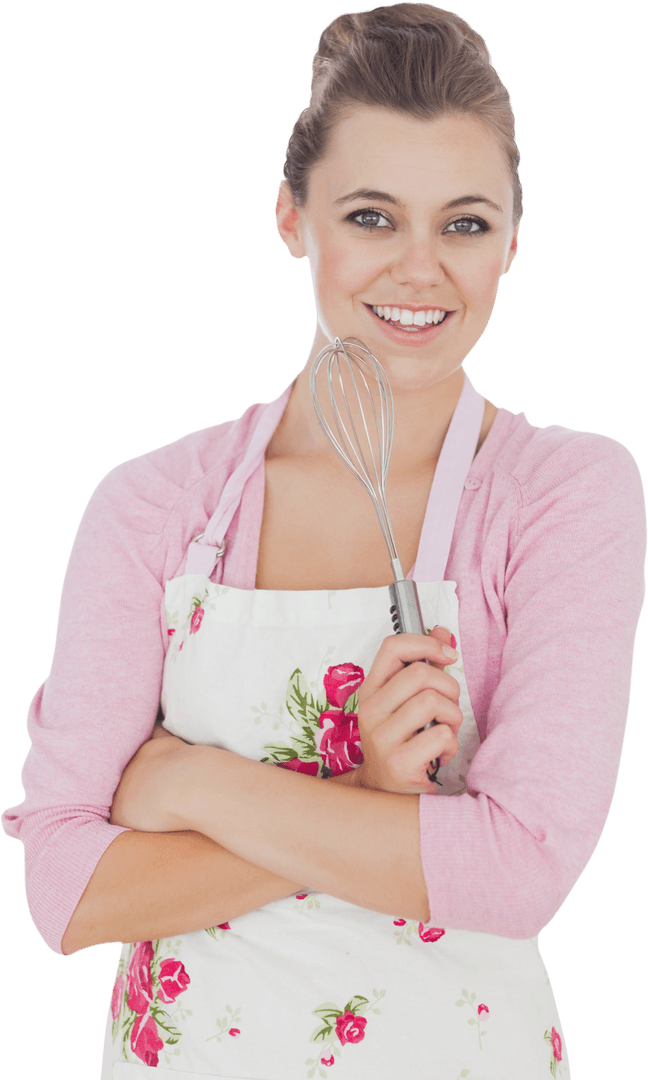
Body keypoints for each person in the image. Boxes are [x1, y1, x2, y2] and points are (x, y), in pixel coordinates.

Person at [2, 3, 645, 1078]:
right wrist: (368, 800)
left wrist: (189, 784)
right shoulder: (155, 506)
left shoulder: (561, 492)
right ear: (292, 217)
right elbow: (66, 894)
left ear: (513, 240)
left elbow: (518, 870)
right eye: (372, 217)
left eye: (465, 224)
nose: (420, 270)